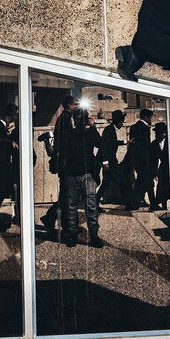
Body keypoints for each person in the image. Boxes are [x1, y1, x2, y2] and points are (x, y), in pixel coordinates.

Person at [54, 95, 103, 248]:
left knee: (90, 206)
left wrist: (92, 128)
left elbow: (100, 143)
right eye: (77, 116)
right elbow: (62, 143)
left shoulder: (87, 131)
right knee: (71, 206)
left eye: (81, 116)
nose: (79, 119)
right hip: (71, 173)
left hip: (86, 173)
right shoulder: (66, 126)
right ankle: (72, 235)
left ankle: (93, 235)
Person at [123, 108, 155, 210]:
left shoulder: (135, 127)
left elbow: (133, 144)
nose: (150, 119)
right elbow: (143, 146)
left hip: (138, 159)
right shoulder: (143, 128)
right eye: (150, 117)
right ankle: (136, 200)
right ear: (146, 117)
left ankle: (139, 200)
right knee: (143, 181)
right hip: (143, 159)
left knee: (142, 180)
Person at [96, 109, 128, 205]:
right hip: (109, 161)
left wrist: (126, 142)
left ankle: (95, 201)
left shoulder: (111, 129)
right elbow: (105, 146)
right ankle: (127, 202)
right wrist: (105, 162)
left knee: (106, 183)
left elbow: (113, 142)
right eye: (121, 122)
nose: (122, 124)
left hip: (110, 161)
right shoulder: (109, 130)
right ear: (118, 121)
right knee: (121, 180)